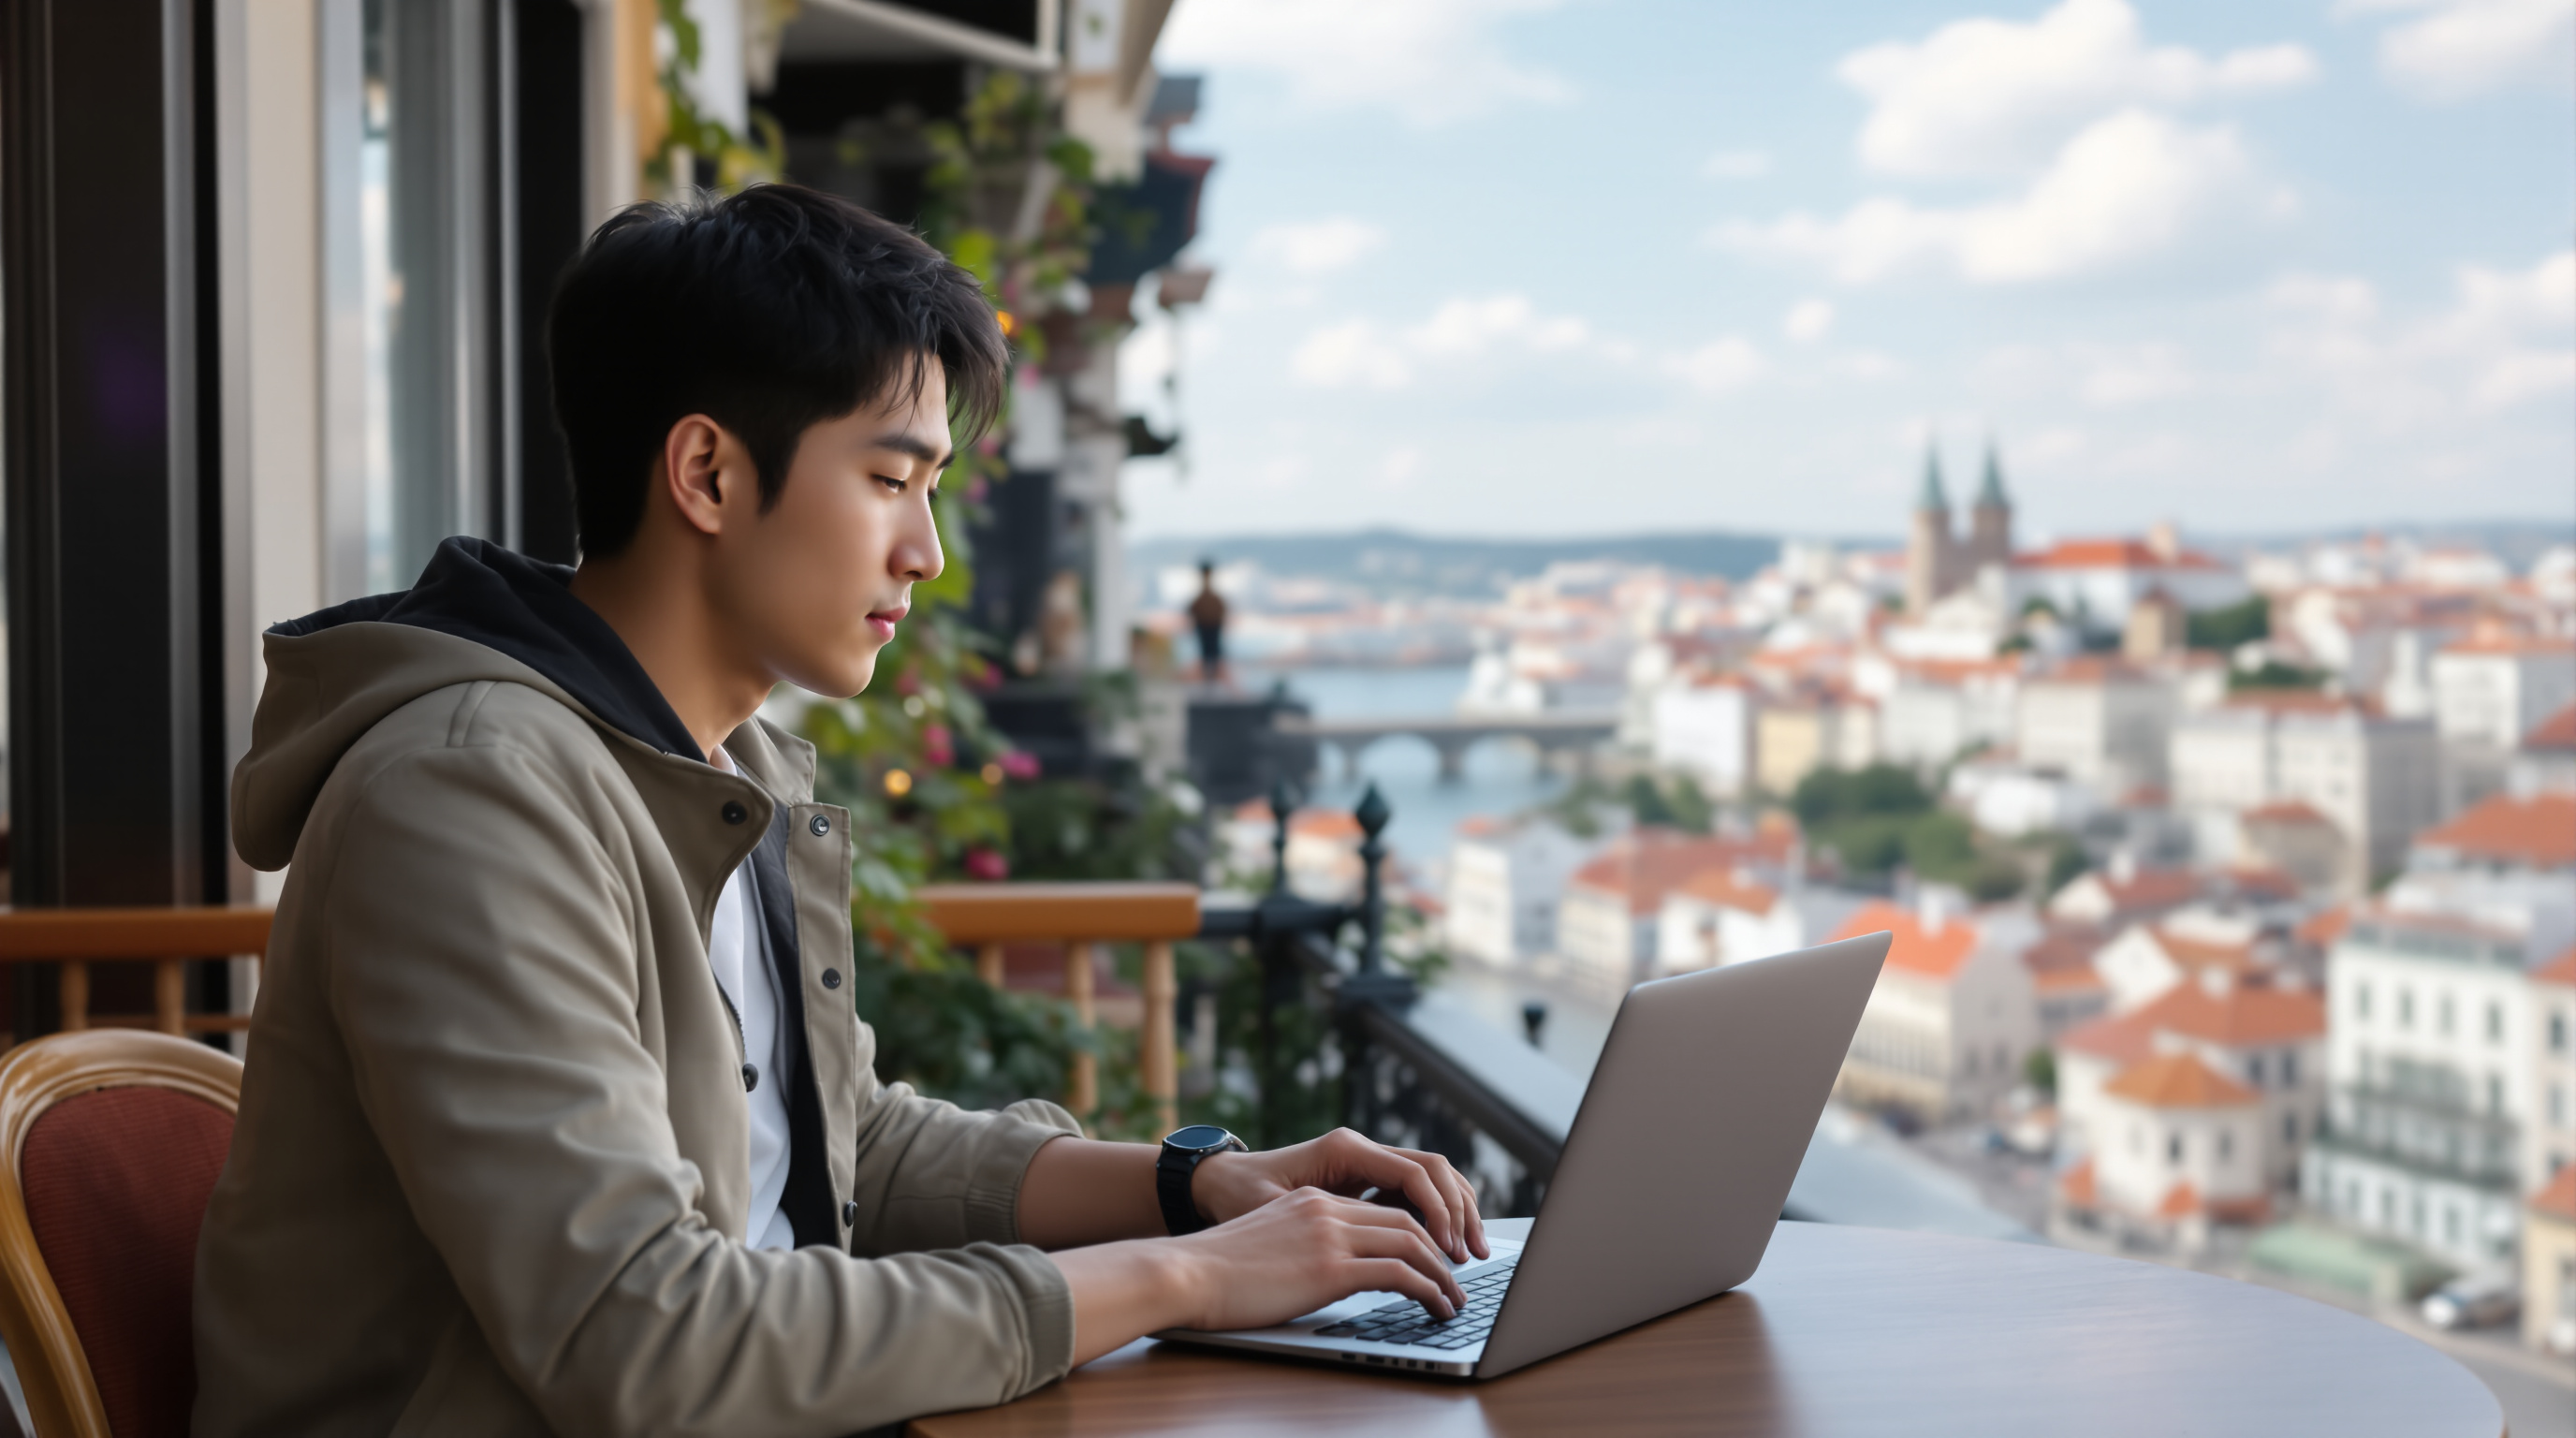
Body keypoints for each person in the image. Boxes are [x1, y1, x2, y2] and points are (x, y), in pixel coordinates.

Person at [193, 184, 1483, 1438]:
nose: (926, 551)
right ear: (705, 472)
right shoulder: (471, 796)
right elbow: (640, 1340)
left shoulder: (719, 763)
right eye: (889, 479)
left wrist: (1192, 1189)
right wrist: (1189, 1277)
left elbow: (845, 1139)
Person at [1189, 559, 1228, 683]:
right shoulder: (1206, 599)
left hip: (1211, 628)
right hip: (1207, 629)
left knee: (1213, 656)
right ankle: (1209, 680)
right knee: (1208, 655)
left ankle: (1211, 680)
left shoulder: (1212, 599)